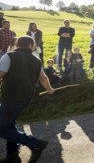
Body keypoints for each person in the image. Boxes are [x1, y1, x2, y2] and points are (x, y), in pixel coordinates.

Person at [0, 35, 54, 163]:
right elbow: (43, 78)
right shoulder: (36, 60)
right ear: (31, 45)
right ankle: (12, 156)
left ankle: (34, 143)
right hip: (26, 99)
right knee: (9, 125)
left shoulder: (9, 56)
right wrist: (49, 89)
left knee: (1, 127)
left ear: (18, 44)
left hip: (11, 98)